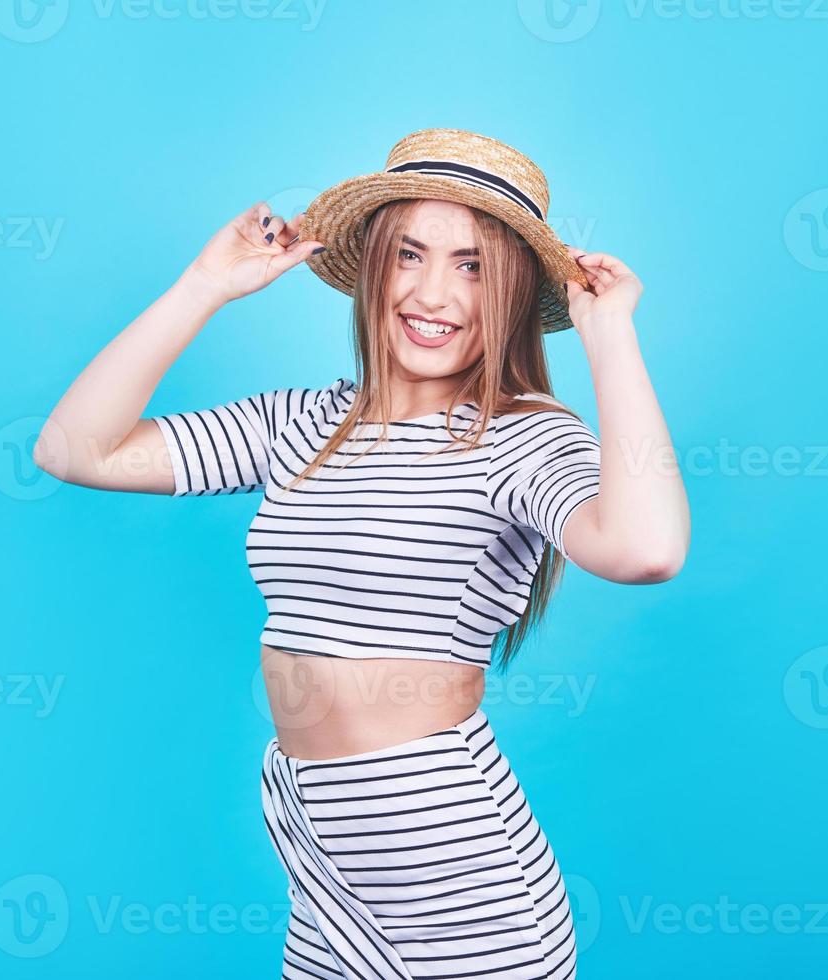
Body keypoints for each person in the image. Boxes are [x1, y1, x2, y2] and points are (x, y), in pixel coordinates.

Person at [34, 128, 690, 979]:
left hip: (454, 869)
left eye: (472, 266)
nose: (433, 293)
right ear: (372, 266)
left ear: (515, 294)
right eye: (408, 254)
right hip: (323, 856)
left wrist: (609, 339)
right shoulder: (299, 423)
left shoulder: (519, 438)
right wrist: (204, 289)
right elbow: (74, 451)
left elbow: (645, 550)